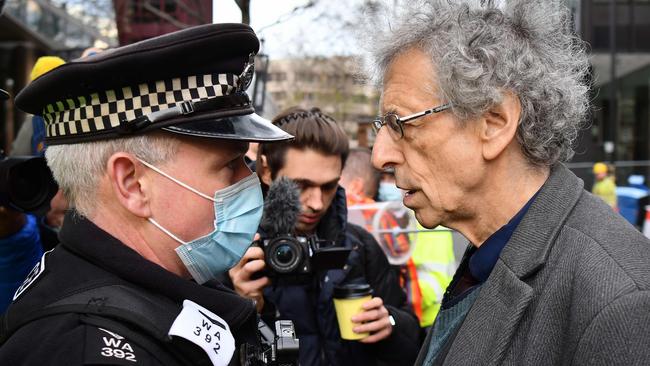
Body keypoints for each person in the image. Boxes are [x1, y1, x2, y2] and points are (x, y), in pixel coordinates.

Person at [365, 0, 650, 365]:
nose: (380, 156)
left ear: (495, 123)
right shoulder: (492, 251)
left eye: (401, 123)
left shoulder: (622, 302)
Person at [0, 23, 293, 366]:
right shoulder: (84, 349)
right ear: (132, 184)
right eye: (229, 165)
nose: (250, 179)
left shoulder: (168, 284)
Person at [228, 108, 420, 366]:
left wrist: (391, 324)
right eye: (300, 185)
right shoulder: (231, 254)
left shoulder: (359, 246)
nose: (317, 203)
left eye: (329, 186)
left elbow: (414, 345)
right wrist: (243, 311)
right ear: (266, 171)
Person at [340, 148, 455, 329]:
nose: (388, 184)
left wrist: (392, 297)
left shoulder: (429, 221)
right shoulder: (376, 217)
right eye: (382, 179)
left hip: (426, 322)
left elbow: (436, 282)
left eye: (391, 177)